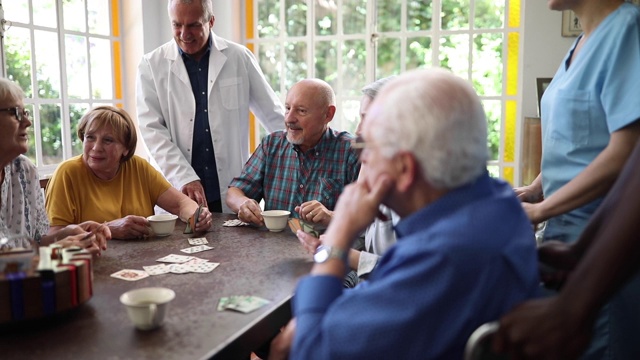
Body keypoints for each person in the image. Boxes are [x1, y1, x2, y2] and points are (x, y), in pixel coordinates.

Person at [268, 68, 540, 359]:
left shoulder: (441, 257)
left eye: (367, 149)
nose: (362, 161)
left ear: (405, 169)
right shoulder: (499, 200)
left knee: (284, 346)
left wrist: (337, 241)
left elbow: (309, 350)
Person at [513, 1, 640, 357]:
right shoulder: (582, 42)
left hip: (606, 238)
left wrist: (540, 211)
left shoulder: (627, 30)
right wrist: (536, 189)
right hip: (565, 239)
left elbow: (626, 151)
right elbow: (577, 136)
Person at [494, 139, 640, 360]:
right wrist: (582, 249)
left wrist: (574, 307)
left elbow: (626, 152)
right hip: (584, 241)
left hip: (611, 256)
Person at [136, 0, 285, 213]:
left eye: (194, 25)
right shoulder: (151, 65)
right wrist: (184, 177)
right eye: (177, 25)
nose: (184, 34)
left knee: (235, 246)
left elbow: (274, 116)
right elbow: (151, 131)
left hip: (229, 190)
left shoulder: (238, 57)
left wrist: (306, 149)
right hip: (178, 190)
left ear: (211, 21)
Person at [45, 106, 212, 240]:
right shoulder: (67, 173)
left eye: (108, 140)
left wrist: (196, 216)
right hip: (92, 266)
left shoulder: (138, 167)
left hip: (140, 261)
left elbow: (181, 204)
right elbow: (52, 236)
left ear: (126, 148)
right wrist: (108, 228)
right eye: (90, 137)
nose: (96, 147)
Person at [297, 76, 399, 286]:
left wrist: (338, 250)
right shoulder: (378, 170)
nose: (359, 130)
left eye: (367, 119)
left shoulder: (416, 194)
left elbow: (409, 276)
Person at [226, 79, 360, 228]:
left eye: (301, 111)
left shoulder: (351, 151)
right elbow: (234, 192)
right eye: (288, 108)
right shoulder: (271, 144)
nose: (289, 119)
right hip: (274, 247)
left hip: (324, 248)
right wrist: (243, 204)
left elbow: (370, 216)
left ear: (328, 114)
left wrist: (331, 216)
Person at [0, 78, 110, 254]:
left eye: (25, 113)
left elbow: (39, 240)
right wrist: (52, 254)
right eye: (15, 113)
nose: (27, 122)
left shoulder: (24, 170)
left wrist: (68, 233)